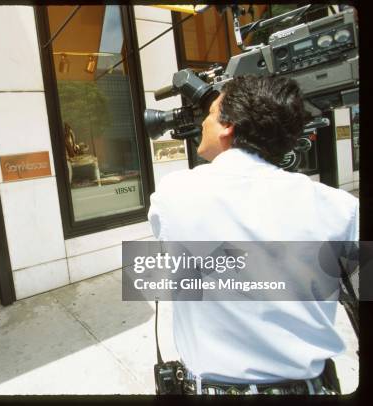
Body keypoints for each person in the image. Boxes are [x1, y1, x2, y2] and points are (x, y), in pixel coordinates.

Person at [148, 75, 358, 395]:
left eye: (209, 114)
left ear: (227, 126)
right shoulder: (340, 209)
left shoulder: (173, 194)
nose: (203, 123)